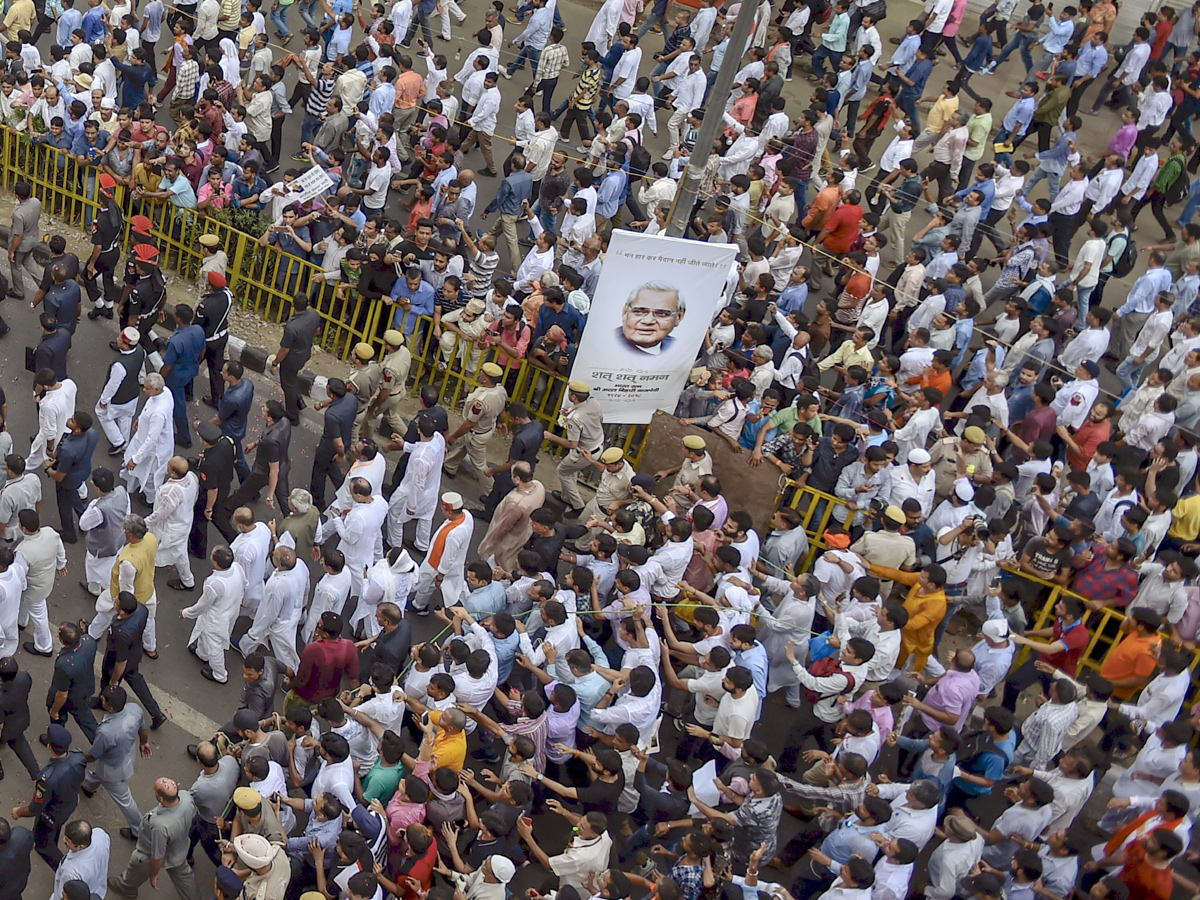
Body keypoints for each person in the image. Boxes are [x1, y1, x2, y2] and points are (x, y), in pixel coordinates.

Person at [107, 777, 202, 900]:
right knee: (185, 877)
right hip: (179, 849)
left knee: (137, 865)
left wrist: (154, 875)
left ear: (162, 799)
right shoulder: (186, 797)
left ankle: (126, 887)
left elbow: (157, 856)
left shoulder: (160, 826)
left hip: (149, 851)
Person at [81, 685, 150, 841]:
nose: (101, 700)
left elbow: (93, 755)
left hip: (111, 770)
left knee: (126, 801)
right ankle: (88, 786)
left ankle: (138, 830)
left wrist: (78, 758)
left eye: (103, 700)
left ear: (110, 709)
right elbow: (143, 730)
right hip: (126, 758)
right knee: (96, 775)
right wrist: (143, 743)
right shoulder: (134, 709)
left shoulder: (107, 731)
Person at [15, 723, 85, 869]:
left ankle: (64, 870)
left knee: (43, 846)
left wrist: (18, 812)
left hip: (51, 815)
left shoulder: (47, 778)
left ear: (49, 747)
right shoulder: (78, 756)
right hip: (69, 803)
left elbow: (35, 808)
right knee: (53, 833)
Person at [271, 293, 322, 426]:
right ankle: (299, 400)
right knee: (292, 379)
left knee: (287, 385)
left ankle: (293, 416)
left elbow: (285, 349)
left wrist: (275, 363)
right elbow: (317, 330)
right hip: (304, 354)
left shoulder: (291, 327)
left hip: (291, 360)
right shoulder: (314, 315)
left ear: (293, 304)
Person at [0, 657, 40, 781]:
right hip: (21, 718)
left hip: (6, 727)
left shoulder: (1, 697)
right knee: (22, 747)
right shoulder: (24, 677)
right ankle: (37, 775)